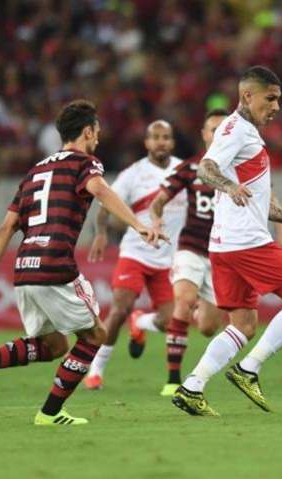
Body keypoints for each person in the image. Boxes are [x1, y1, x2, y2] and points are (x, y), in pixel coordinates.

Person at [0, 100, 166, 426]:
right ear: (86, 131)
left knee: (54, 345)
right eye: (95, 132)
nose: (97, 138)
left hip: (25, 269)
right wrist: (139, 225)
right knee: (95, 334)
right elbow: (99, 189)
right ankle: (49, 413)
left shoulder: (34, 171)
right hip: (55, 266)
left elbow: (5, 227)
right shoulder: (85, 162)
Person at [172, 66, 282, 416]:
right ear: (247, 96)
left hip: (224, 245)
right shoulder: (236, 130)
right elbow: (206, 168)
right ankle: (249, 370)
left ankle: (192, 387)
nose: (276, 106)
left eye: (279, 99)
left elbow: (257, 201)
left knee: (243, 325)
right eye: (270, 98)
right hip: (246, 243)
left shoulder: (245, 133)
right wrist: (230, 187)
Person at [150, 109, 282, 397]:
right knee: (184, 301)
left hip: (224, 252)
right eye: (212, 129)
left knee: (207, 327)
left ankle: (147, 322)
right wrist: (155, 219)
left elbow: (266, 196)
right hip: (192, 247)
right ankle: (173, 379)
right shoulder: (191, 168)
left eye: (222, 128)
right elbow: (159, 201)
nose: (218, 133)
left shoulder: (242, 162)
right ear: (204, 135)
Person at [83, 120, 185, 390]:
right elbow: (105, 205)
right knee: (118, 309)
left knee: (170, 322)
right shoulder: (133, 174)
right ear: (147, 143)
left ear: (172, 142)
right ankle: (96, 370)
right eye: (155, 137)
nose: (161, 141)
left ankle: (139, 322)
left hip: (169, 259)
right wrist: (101, 233)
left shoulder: (185, 172)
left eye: (166, 137)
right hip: (136, 253)